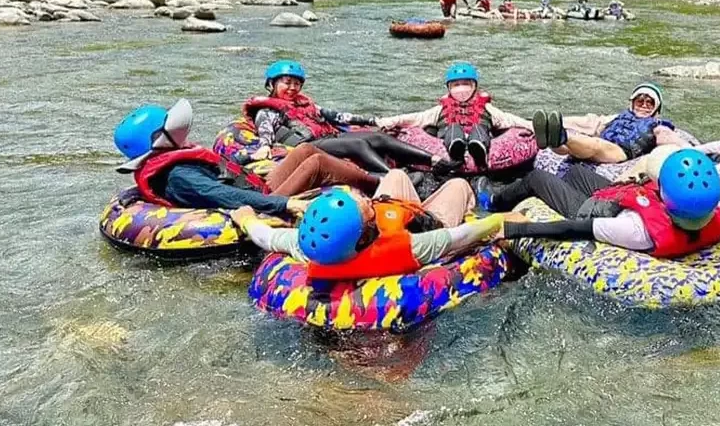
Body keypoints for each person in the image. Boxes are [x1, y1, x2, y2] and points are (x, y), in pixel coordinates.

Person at [231, 169, 520, 276]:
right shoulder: (408, 248)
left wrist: (245, 218)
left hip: (398, 214)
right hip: (431, 223)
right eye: (366, 207)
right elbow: (463, 235)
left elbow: (266, 237)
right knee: (458, 184)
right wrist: (498, 220)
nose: (367, 199)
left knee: (395, 176)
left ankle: (413, 193)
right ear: (365, 234)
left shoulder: (309, 246)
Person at [479, 148, 720, 257]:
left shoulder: (636, 230)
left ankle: (492, 200)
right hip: (622, 199)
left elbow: (572, 229)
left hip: (589, 211)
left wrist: (513, 231)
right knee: (575, 171)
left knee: (536, 178)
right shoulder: (711, 208)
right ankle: (557, 183)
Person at [115, 99, 331, 217]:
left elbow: (216, 171)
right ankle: (366, 189)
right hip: (266, 198)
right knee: (317, 163)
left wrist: (247, 160)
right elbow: (224, 194)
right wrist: (286, 205)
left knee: (304, 150)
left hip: (258, 187)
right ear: (160, 139)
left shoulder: (172, 162)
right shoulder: (178, 176)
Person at [229, 60, 441, 174]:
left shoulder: (304, 104)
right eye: (286, 82)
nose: (292, 88)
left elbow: (338, 116)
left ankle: (434, 160)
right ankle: (395, 177)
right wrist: (264, 146)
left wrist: (371, 120)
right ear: (272, 84)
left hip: (328, 138)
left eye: (296, 83)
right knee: (357, 144)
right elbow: (265, 129)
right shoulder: (268, 111)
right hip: (308, 146)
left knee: (377, 138)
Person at [376, 62, 531, 172]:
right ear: (449, 88)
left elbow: (510, 119)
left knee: (479, 130)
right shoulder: (439, 110)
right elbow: (417, 118)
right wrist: (392, 121)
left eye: (465, 84)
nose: (461, 89)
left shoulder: (487, 108)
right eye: (456, 85)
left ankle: (479, 149)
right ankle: (455, 148)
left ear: (474, 86)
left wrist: (531, 126)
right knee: (453, 129)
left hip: (479, 139)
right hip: (449, 143)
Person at [532, 83, 687, 164]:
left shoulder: (657, 125)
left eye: (650, 103)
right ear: (632, 104)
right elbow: (591, 125)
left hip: (619, 152)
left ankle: (560, 136)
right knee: (566, 149)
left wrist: (698, 151)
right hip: (600, 145)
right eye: (640, 101)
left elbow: (669, 138)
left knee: (596, 145)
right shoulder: (617, 117)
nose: (644, 105)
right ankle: (550, 138)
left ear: (656, 109)